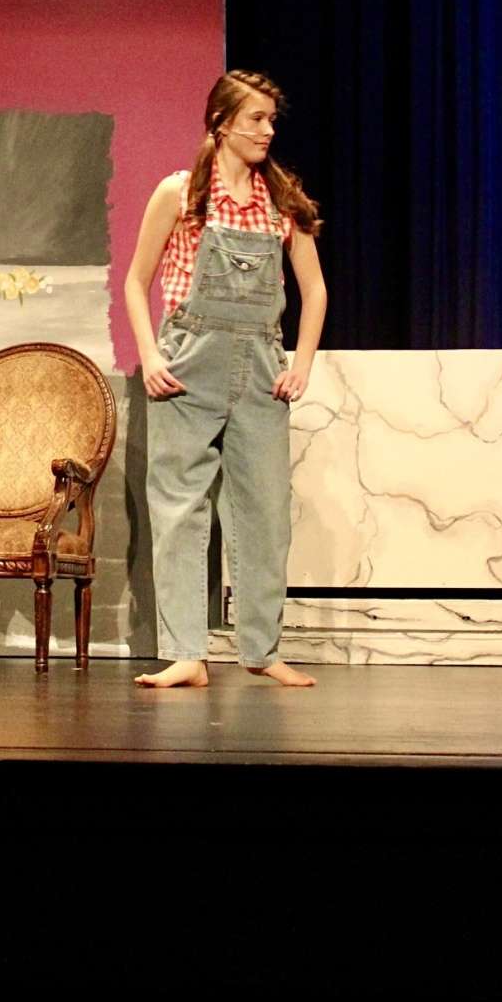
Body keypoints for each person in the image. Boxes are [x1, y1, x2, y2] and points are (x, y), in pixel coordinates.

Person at [123, 70, 326, 689]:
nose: (268, 130)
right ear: (221, 123)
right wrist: (151, 355)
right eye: (256, 119)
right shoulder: (181, 195)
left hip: (261, 367)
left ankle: (262, 649)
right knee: (180, 508)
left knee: (265, 512)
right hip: (188, 364)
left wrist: (303, 362)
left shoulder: (280, 201)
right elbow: (137, 281)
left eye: (270, 119)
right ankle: (187, 652)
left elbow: (314, 290)